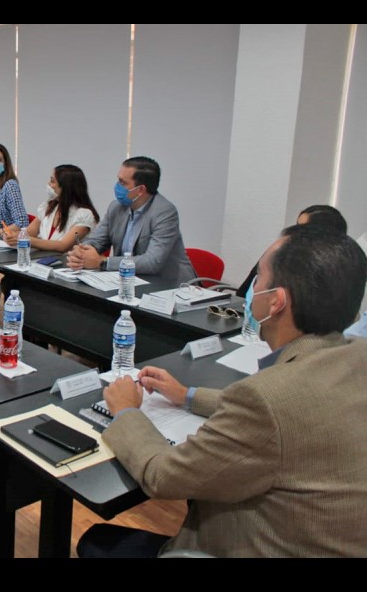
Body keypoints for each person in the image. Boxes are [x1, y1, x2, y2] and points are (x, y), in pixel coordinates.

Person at [78, 225, 367, 557]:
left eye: (259, 277)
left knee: (97, 541)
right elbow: (292, 411)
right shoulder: (356, 356)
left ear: (276, 301)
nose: (252, 288)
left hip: (258, 545)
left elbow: (163, 475)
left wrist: (126, 411)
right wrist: (186, 394)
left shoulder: (266, 398)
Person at [66, 156, 195, 284]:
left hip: (168, 286)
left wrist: (103, 262)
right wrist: (81, 253)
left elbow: (152, 262)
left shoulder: (164, 212)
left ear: (141, 190)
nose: (117, 186)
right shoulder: (115, 207)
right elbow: (97, 240)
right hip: (127, 282)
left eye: (122, 182)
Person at [236, 204, 347, 297]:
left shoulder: (340, 270)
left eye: (302, 229)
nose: (295, 233)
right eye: (297, 226)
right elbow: (244, 293)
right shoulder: (279, 254)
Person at [4, 164, 99, 252]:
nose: (49, 184)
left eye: (52, 181)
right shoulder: (48, 206)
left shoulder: (85, 215)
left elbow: (63, 246)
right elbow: (28, 233)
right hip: (42, 260)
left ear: (66, 187)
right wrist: (13, 236)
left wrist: (27, 240)